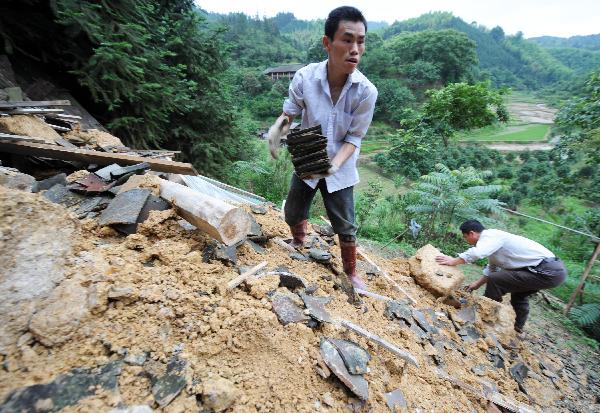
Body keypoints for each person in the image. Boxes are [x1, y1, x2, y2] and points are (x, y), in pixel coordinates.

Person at [269, 6, 378, 290]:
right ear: (327, 43)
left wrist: (334, 165)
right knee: (292, 211)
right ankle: (298, 239)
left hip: (340, 168)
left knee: (345, 225)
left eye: (361, 41)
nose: (355, 48)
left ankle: (351, 272)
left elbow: (354, 139)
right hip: (308, 158)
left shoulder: (366, 91)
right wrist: (276, 131)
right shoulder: (305, 78)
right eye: (347, 39)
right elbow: (289, 114)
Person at [435, 219, 567, 333]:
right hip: (550, 271)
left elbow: (477, 254)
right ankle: (518, 328)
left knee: (496, 281)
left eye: (465, 237)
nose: (466, 240)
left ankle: (484, 315)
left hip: (548, 270)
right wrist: (477, 284)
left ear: (471, 233)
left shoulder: (490, 236)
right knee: (518, 295)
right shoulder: (493, 245)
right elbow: (492, 268)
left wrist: (453, 261)